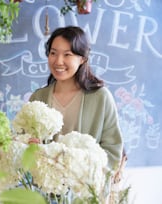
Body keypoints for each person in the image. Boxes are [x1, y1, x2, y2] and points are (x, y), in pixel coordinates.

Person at [29, 26, 123, 171]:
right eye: (53, 53)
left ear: (82, 59)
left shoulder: (101, 97)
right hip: (43, 189)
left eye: (67, 54)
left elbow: (112, 150)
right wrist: (30, 147)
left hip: (85, 188)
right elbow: (24, 142)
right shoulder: (38, 97)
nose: (58, 61)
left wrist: (83, 173)